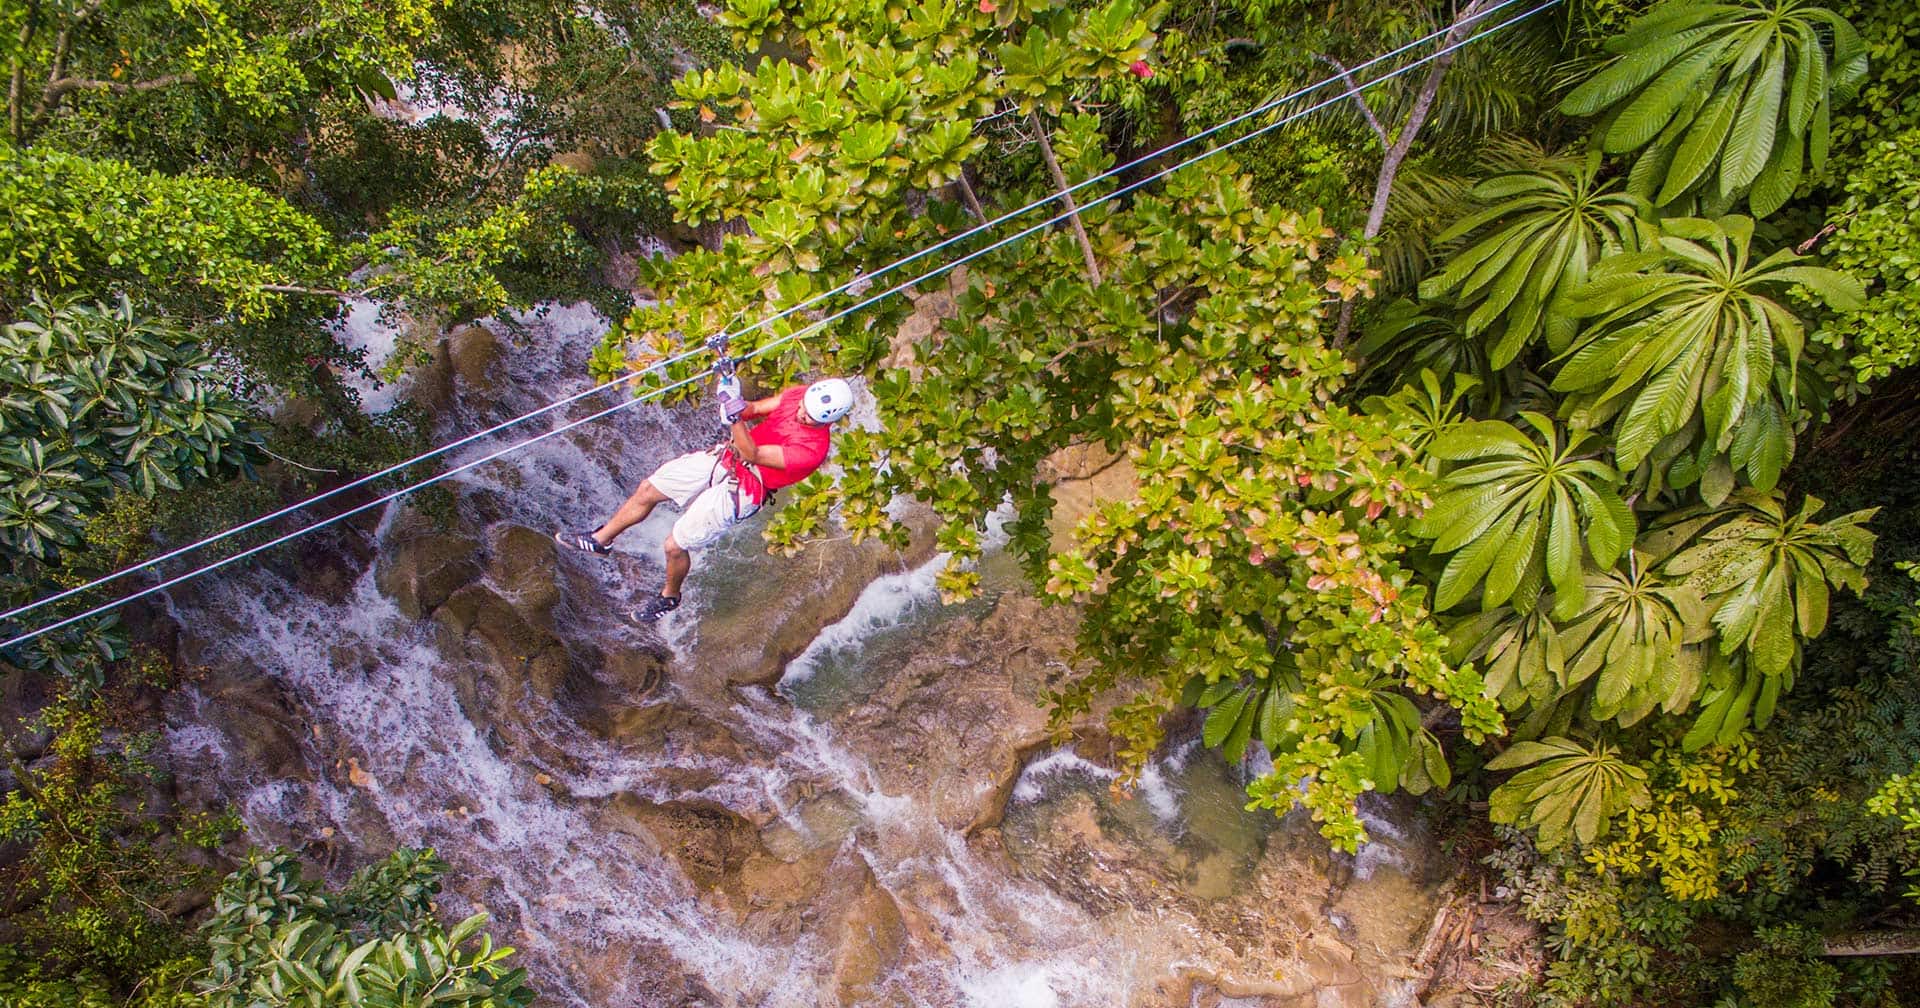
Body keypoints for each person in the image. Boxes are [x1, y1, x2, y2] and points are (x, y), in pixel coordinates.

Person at [556, 377, 855, 621]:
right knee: (648, 489)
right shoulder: (799, 396)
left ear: (826, 422)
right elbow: (753, 409)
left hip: (747, 487)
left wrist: (734, 416)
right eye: (803, 408)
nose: (802, 414)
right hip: (727, 458)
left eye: (810, 418)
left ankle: (669, 597)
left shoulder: (811, 451)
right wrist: (732, 396)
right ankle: (601, 540)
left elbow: (753, 453)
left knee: (674, 545)